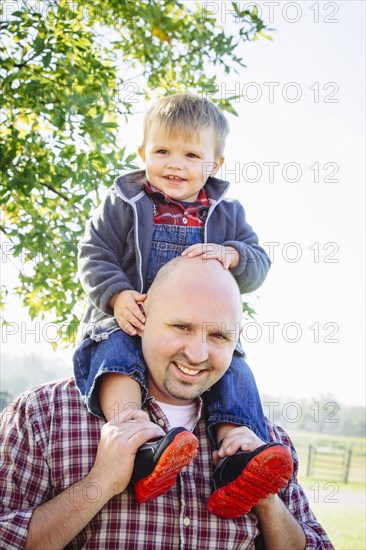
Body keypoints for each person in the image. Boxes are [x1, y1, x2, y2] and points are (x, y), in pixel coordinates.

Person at [0, 258, 333, 549]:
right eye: (181, 327)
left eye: (219, 336)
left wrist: (266, 502)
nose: (197, 354)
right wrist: (99, 484)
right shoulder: (43, 415)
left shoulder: (265, 444)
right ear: (141, 319)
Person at [73, 93, 280, 509]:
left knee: (235, 371)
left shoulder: (227, 214)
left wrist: (234, 254)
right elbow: (93, 253)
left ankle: (238, 455)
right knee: (115, 354)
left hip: (196, 329)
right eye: (162, 151)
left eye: (190, 155)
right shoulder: (123, 203)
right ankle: (140, 441)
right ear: (142, 153)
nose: (174, 164)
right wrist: (116, 295)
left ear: (214, 165)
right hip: (132, 317)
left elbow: (260, 262)